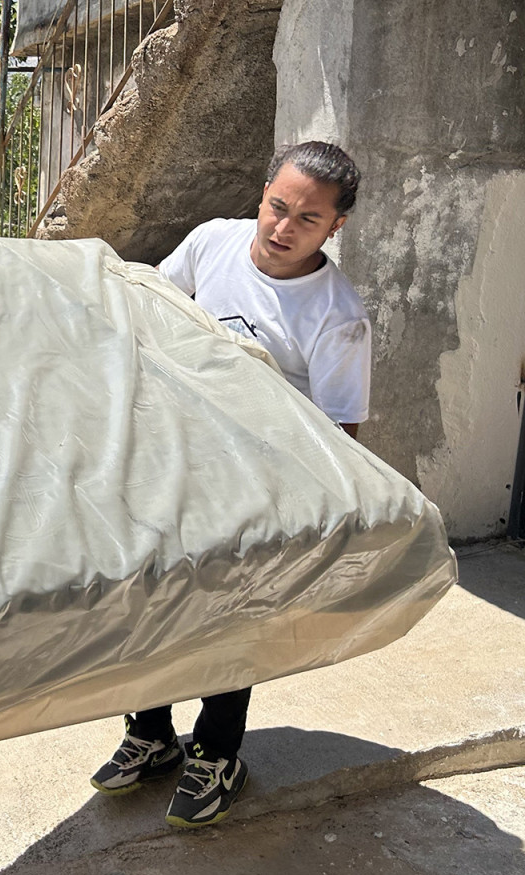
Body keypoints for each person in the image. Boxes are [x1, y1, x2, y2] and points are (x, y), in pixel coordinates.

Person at [90, 141, 371, 828]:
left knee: (229, 616)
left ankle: (217, 754)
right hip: (172, 459)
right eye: (277, 206)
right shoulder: (212, 241)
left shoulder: (338, 317)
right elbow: (150, 307)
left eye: (308, 219)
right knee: (152, 596)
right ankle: (151, 733)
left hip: (261, 487)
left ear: (336, 226)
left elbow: (339, 433)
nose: (283, 227)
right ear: (263, 193)